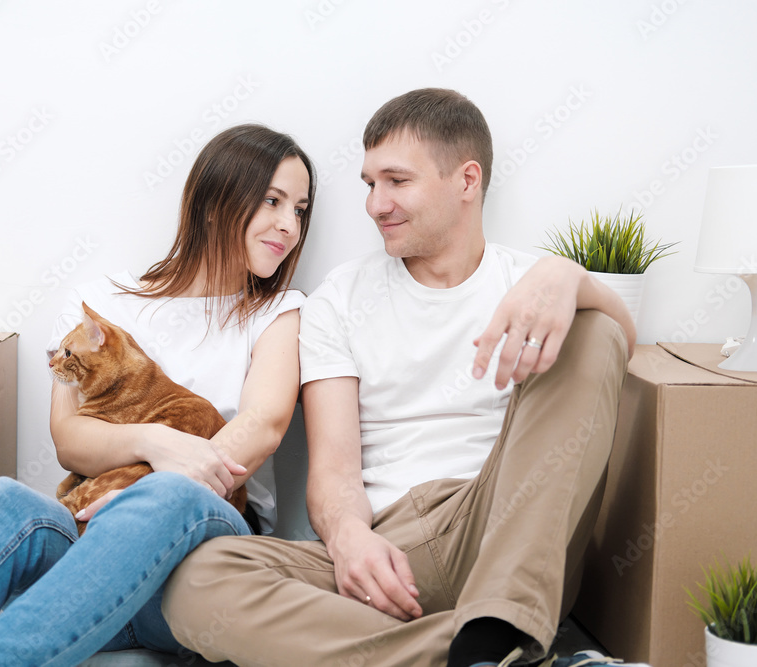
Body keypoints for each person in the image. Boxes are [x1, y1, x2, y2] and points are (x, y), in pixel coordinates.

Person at [161, 89, 638, 667]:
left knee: (595, 331)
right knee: (196, 579)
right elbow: (334, 472)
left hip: (505, 526)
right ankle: (491, 653)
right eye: (369, 183)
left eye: (396, 181)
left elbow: (613, 357)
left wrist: (569, 277)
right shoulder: (339, 298)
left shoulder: (530, 286)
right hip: (390, 549)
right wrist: (347, 538)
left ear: (467, 181)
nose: (375, 204)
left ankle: (500, 622)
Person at [0, 123, 315, 666]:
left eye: (301, 210)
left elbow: (263, 423)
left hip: (207, 549)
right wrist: (161, 443)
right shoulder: (98, 303)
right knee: (2, 499)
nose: (289, 226)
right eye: (272, 201)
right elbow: (70, 440)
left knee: (170, 497)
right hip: (91, 538)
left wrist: (156, 484)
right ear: (214, 202)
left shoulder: (279, 311)